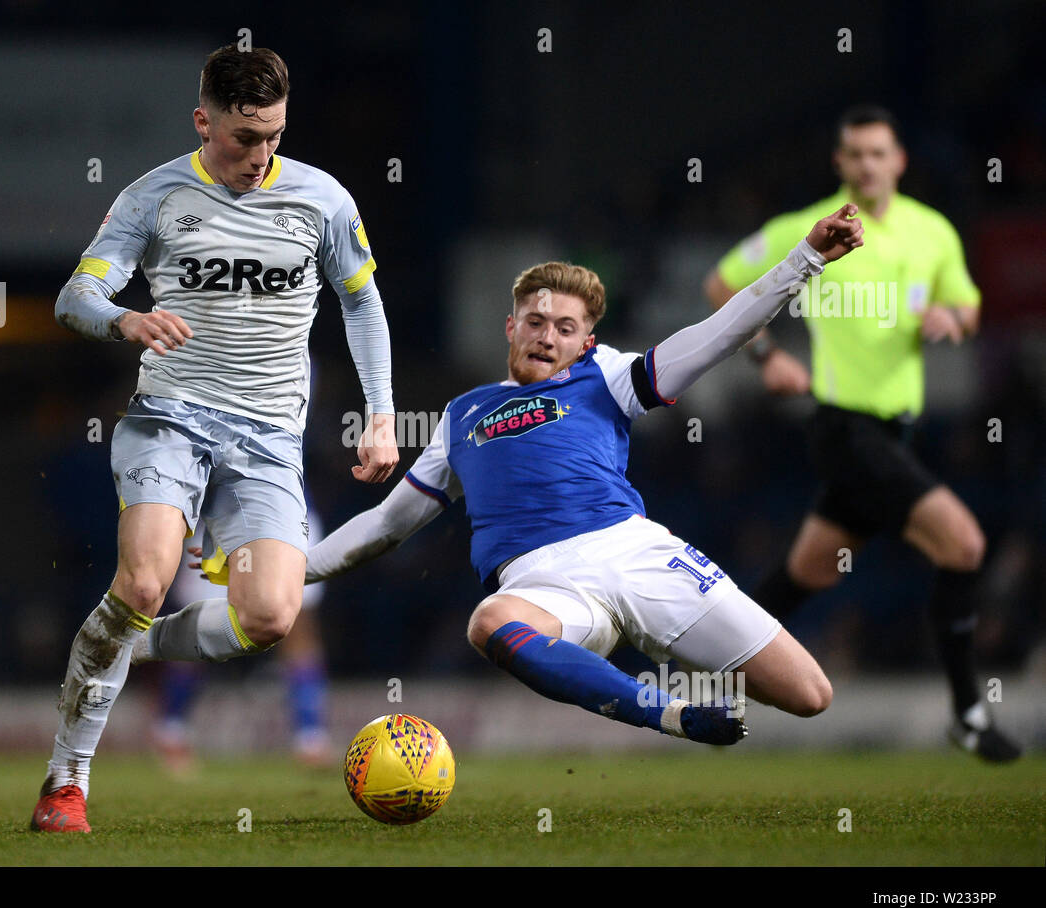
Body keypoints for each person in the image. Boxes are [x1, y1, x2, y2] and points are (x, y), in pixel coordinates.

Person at [295, 209, 864, 741]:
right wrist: (291, 572)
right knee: (491, 622)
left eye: (565, 328)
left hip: (635, 552)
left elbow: (719, 334)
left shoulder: (609, 375)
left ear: (586, 340)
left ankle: (677, 657)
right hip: (545, 584)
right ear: (510, 327)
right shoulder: (462, 414)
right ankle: (669, 713)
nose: (548, 336)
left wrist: (804, 259)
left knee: (809, 693)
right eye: (536, 322)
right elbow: (387, 525)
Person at [32, 44, 399, 833]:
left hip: (269, 440)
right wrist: (124, 318)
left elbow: (361, 304)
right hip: (171, 420)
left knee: (270, 616)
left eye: (273, 136)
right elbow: (76, 295)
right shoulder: (154, 196)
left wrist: (380, 413)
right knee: (144, 582)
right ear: (204, 122)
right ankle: (67, 781)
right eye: (243, 137)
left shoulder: (322, 199)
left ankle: (123, 645)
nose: (259, 156)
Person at [703, 105, 1019, 762]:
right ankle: (966, 712)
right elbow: (720, 284)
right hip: (842, 426)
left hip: (896, 431)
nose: (868, 164)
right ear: (840, 163)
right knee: (962, 544)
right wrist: (769, 356)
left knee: (806, 571)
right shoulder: (806, 229)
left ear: (899, 160)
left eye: (879, 153)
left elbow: (967, 306)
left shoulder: (932, 232)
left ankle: (713, 680)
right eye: (856, 154)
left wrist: (951, 321)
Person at [151, 514, 333, 773]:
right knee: (196, 627)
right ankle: (172, 730)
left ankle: (311, 737)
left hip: (291, 516)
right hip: (226, 518)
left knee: (298, 625)